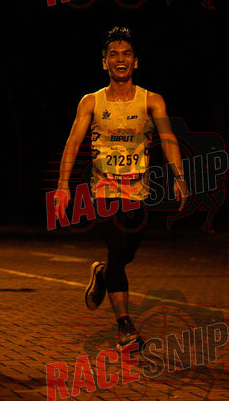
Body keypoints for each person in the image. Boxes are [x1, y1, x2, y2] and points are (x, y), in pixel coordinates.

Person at [54, 27, 190, 350]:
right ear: (104, 63)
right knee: (117, 249)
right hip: (103, 191)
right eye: (113, 54)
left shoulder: (151, 100)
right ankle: (125, 327)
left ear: (135, 61)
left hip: (137, 193)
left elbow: (168, 139)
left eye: (126, 54)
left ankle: (102, 275)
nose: (120, 59)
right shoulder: (91, 102)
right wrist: (62, 185)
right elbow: (73, 142)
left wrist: (179, 176)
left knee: (127, 253)